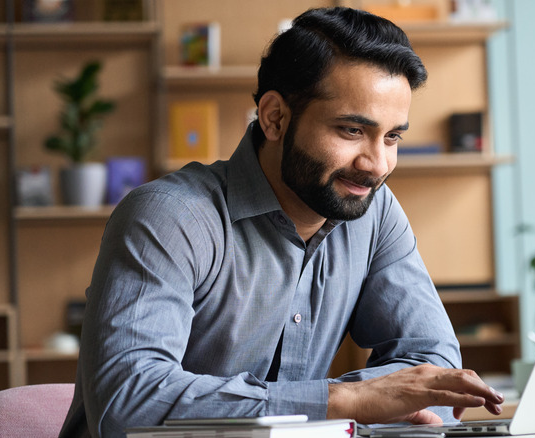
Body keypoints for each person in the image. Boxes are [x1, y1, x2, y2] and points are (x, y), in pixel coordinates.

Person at [59, 7, 504, 438]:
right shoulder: (170, 216)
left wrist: (369, 401)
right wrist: (343, 401)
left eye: (392, 137)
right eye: (351, 131)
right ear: (275, 118)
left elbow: (435, 367)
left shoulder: (375, 211)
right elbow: (127, 404)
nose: (377, 164)